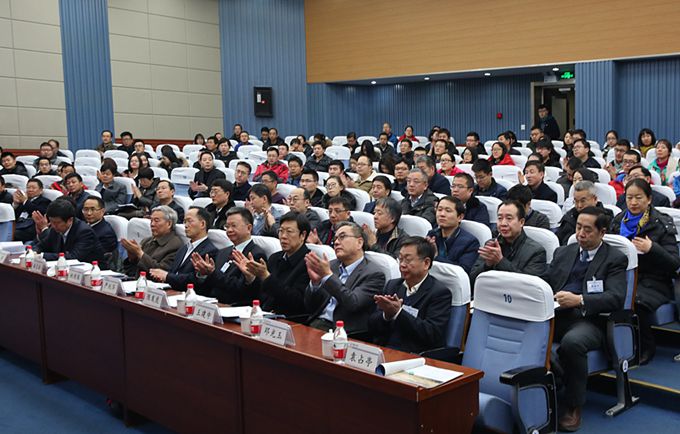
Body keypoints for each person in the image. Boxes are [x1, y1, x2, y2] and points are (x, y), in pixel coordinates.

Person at [542, 207, 627, 432]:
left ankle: (574, 405)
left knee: (573, 343)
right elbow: (546, 281)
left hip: (589, 319)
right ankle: (552, 381)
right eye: (578, 227)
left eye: (587, 230)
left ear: (602, 232)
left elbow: (616, 298)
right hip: (557, 314)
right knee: (527, 332)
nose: (580, 234)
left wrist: (579, 300)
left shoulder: (615, 258)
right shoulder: (564, 252)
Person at [610, 179, 680, 364]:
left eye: (638, 197)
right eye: (629, 197)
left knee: (635, 301)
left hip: (653, 281)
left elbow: (674, 263)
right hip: (622, 277)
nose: (633, 202)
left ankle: (645, 346)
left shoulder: (661, 223)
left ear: (649, 199)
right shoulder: (618, 221)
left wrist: (652, 248)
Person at [368, 236, 452, 354]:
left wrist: (398, 312)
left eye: (408, 260)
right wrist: (386, 315)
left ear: (426, 263)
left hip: (416, 355)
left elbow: (432, 334)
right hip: (385, 350)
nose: (402, 265)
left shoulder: (439, 293)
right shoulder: (392, 285)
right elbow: (372, 325)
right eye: (400, 259)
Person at [304, 221, 385, 334]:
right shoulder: (331, 265)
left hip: (344, 333)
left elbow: (353, 303)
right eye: (335, 239)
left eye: (342, 237)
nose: (336, 242)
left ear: (359, 243)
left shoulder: (374, 274)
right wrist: (315, 284)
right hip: (315, 325)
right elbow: (309, 306)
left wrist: (328, 276)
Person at [239, 212, 312, 319]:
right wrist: (251, 278)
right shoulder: (275, 257)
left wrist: (266, 276)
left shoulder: (309, 263)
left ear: (303, 235)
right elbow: (260, 295)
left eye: (289, 232)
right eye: (281, 231)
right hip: (265, 315)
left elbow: (297, 301)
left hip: (289, 320)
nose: (283, 236)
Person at [191, 207, 267, 304]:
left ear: (249, 228)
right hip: (211, 303)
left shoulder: (255, 254)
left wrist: (212, 273)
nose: (229, 230)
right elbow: (212, 284)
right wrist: (203, 274)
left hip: (234, 306)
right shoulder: (223, 252)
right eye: (227, 226)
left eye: (234, 226)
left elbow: (240, 289)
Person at [469, 200, 547, 286]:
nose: (503, 223)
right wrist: (487, 265)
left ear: (521, 222)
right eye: (500, 218)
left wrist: (500, 261)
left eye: (509, 218)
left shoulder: (536, 251)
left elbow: (530, 286)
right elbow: (472, 281)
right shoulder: (492, 245)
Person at [149, 207, 218, 292]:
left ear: (202, 224)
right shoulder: (184, 248)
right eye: (185, 221)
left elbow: (195, 279)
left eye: (189, 221)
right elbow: (174, 272)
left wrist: (167, 276)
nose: (186, 225)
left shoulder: (210, 251)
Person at [32, 198, 105, 264]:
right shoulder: (55, 229)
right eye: (51, 222)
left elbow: (73, 257)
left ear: (70, 220)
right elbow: (41, 246)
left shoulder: (84, 232)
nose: (53, 226)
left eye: (57, 222)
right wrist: (33, 252)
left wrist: (42, 255)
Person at [122, 205, 184, 277]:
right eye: (151, 220)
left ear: (169, 224)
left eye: (156, 221)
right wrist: (132, 257)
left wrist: (139, 253)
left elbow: (161, 272)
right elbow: (131, 270)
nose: (152, 224)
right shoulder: (146, 241)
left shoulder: (175, 245)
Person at [426, 196, 479, 273]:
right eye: (439, 210)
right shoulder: (432, 234)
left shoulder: (470, 242)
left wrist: (436, 257)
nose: (442, 214)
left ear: (460, 217)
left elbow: (463, 271)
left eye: (448, 211)